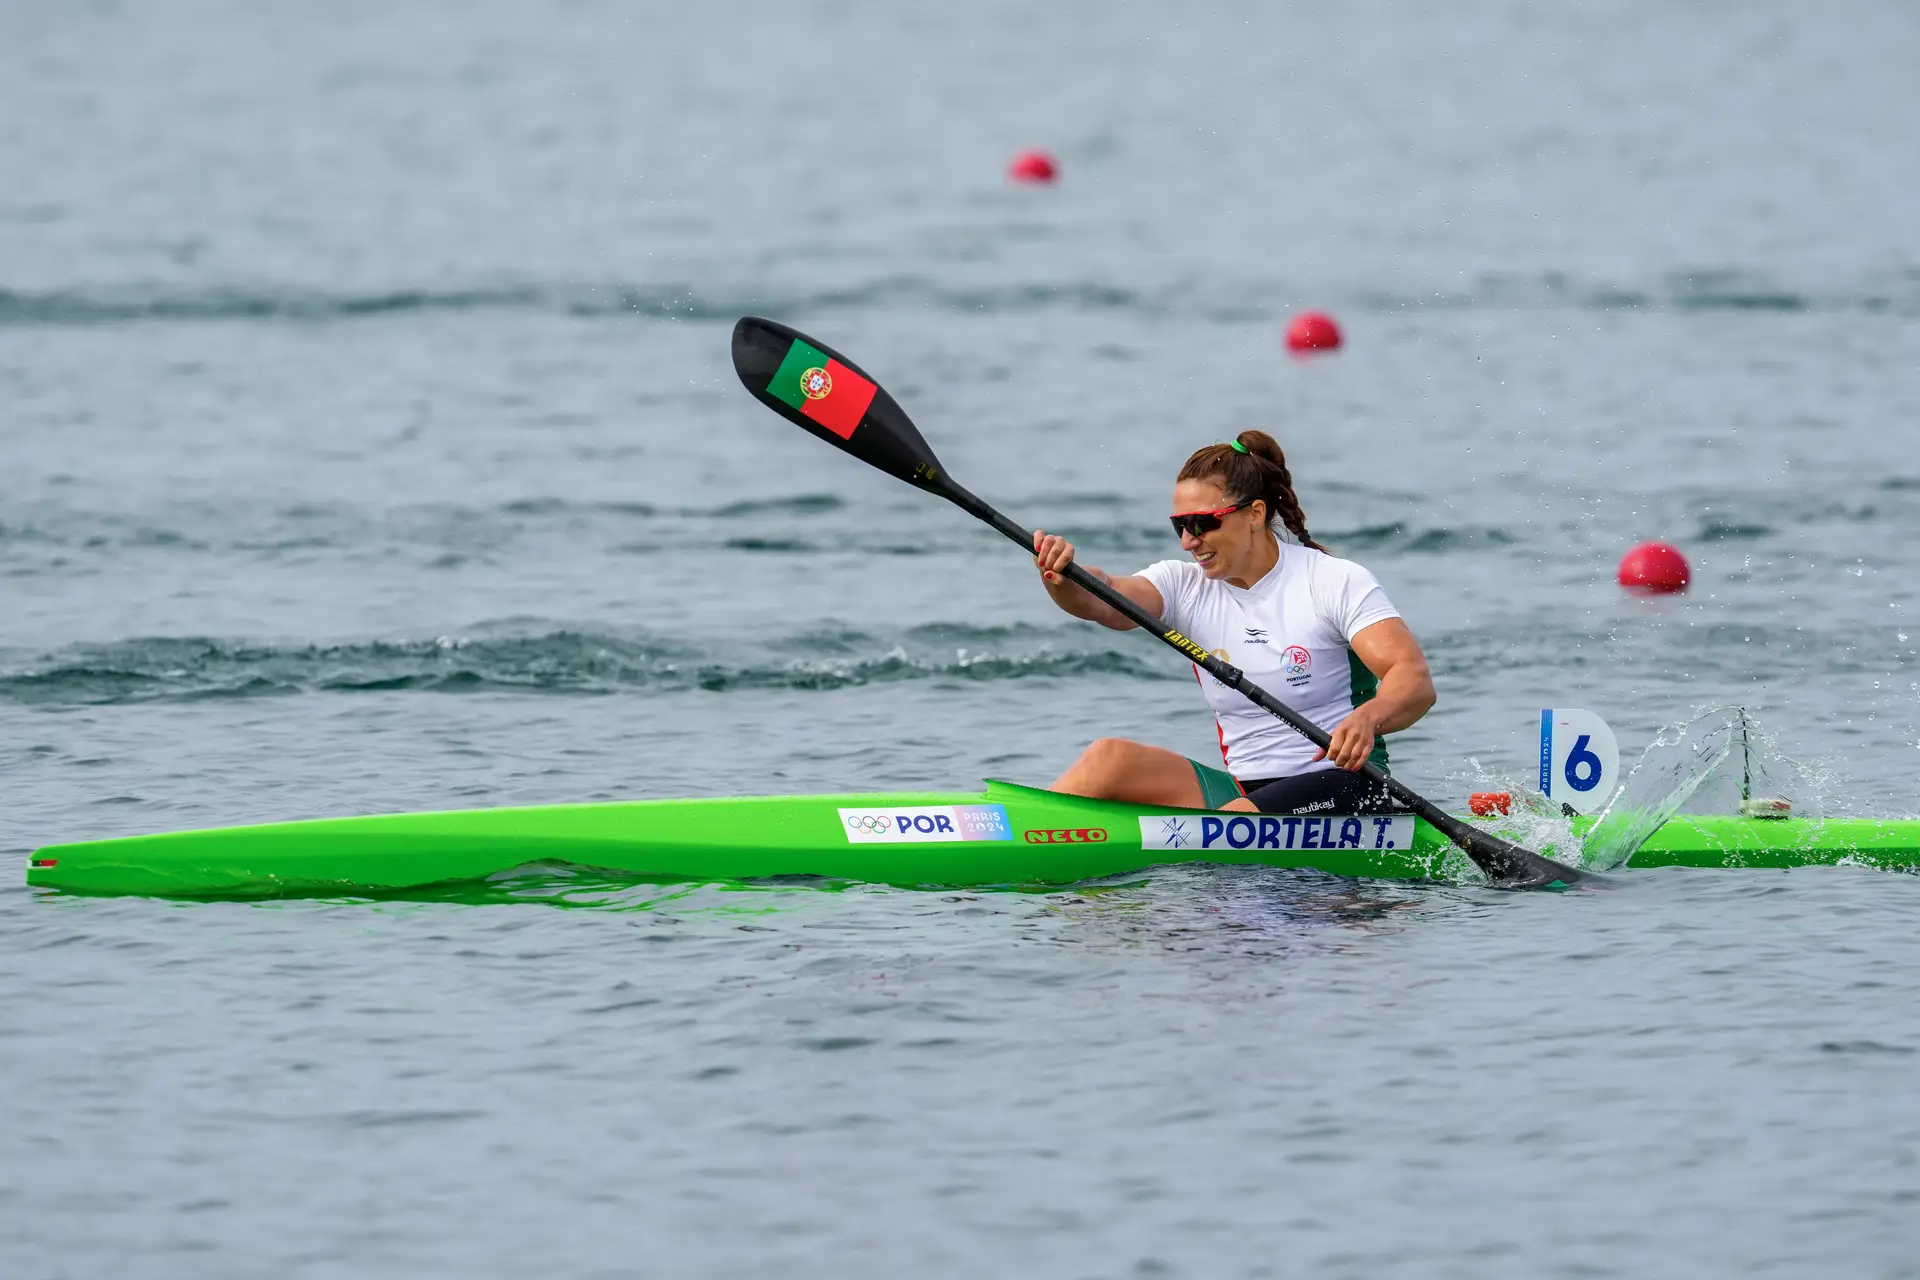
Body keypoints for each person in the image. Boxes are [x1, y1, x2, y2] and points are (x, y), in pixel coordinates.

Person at [1032, 431, 1435, 815]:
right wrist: (1063, 577)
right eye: (1180, 525)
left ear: (1255, 514)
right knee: (1109, 758)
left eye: (1203, 523)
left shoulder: (1333, 581)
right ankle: (1021, 834)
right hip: (1244, 790)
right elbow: (1103, 599)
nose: (1189, 541)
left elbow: (1412, 679)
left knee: (1233, 824)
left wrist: (1370, 717)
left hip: (1346, 782)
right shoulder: (1183, 585)